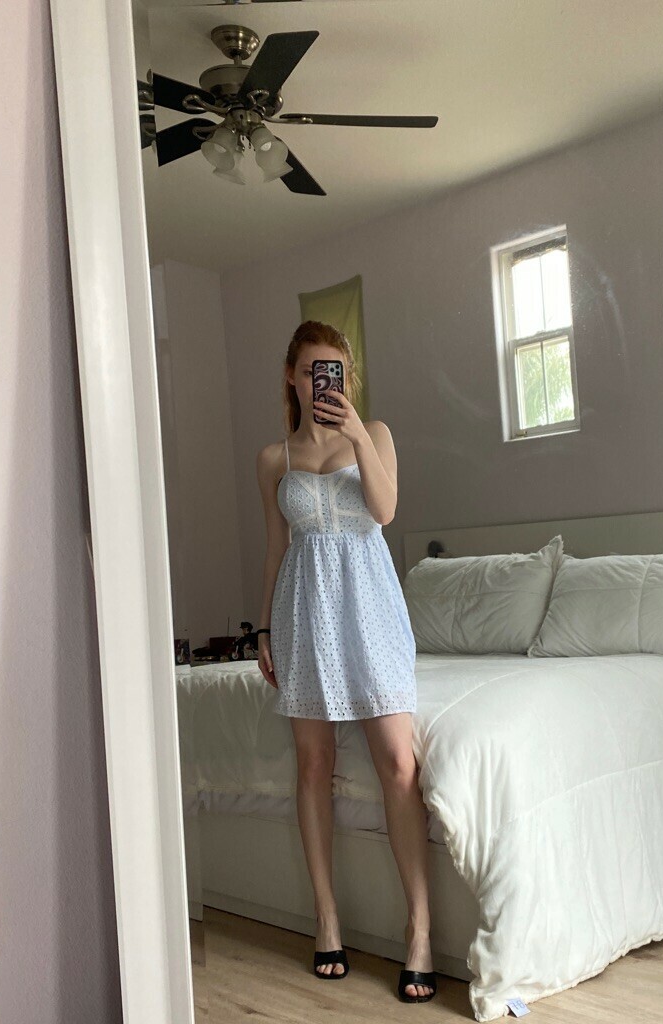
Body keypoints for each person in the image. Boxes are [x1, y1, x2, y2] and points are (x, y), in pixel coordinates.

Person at [254, 320, 437, 1003]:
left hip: (372, 611)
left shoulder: (376, 434)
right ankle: (326, 919)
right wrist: (263, 629)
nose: (322, 381)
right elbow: (276, 548)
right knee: (313, 765)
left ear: (346, 378)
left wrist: (357, 434)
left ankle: (420, 929)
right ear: (292, 376)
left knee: (398, 763)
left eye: (334, 370)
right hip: (304, 615)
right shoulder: (273, 458)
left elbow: (384, 512)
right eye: (311, 370)